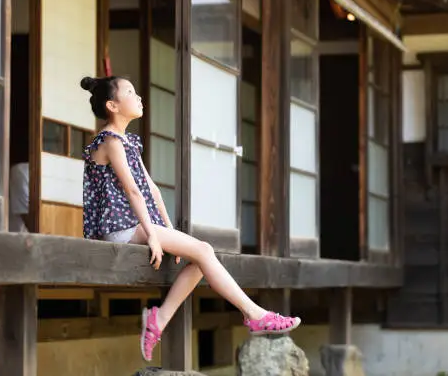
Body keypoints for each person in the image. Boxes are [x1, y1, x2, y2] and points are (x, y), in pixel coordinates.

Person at [80, 76, 301, 362]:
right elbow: (132, 190)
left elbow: (152, 189)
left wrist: (170, 232)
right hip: (119, 228)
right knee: (205, 250)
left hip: (134, 225)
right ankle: (254, 314)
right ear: (112, 105)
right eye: (131, 93)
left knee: (199, 258)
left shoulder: (126, 142)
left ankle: (158, 320)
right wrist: (156, 235)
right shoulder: (110, 141)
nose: (139, 97)